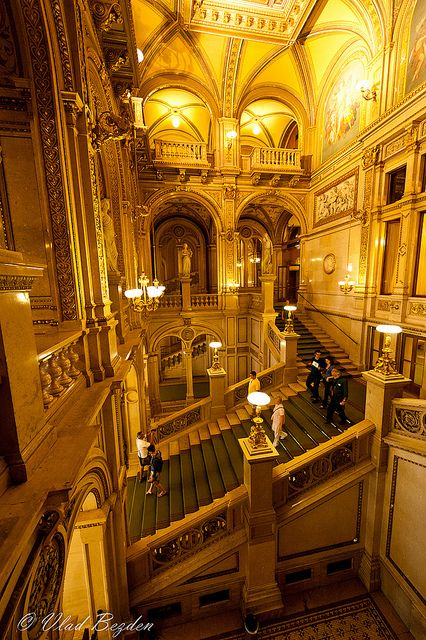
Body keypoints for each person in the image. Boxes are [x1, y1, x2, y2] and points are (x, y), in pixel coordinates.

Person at [100, 197, 119, 272]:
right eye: (106, 205)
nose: (107, 207)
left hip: (110, 235)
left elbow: (110, 226)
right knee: (109, 252)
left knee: (115, 253)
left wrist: (113, 233)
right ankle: (111, 268)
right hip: (106, 236)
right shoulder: (101, 214)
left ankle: (113, 267)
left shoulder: (106, 215)